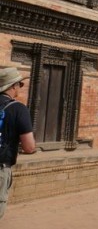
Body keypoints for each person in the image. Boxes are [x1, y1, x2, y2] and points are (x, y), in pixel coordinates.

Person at [0, 67, 35, 220]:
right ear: (12, 86)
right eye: (20, 84)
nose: (20, 88)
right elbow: (29, 147)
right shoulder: (18, 109)